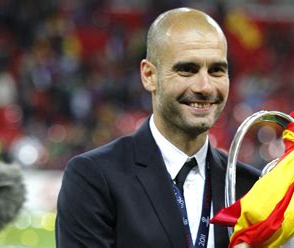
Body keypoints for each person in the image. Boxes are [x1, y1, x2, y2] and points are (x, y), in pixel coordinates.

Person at [55, 7, 260, 248]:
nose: (205, 86)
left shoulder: (251, 187)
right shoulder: (95, 178)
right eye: (187, 69)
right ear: (149, 75)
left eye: (217, 70)